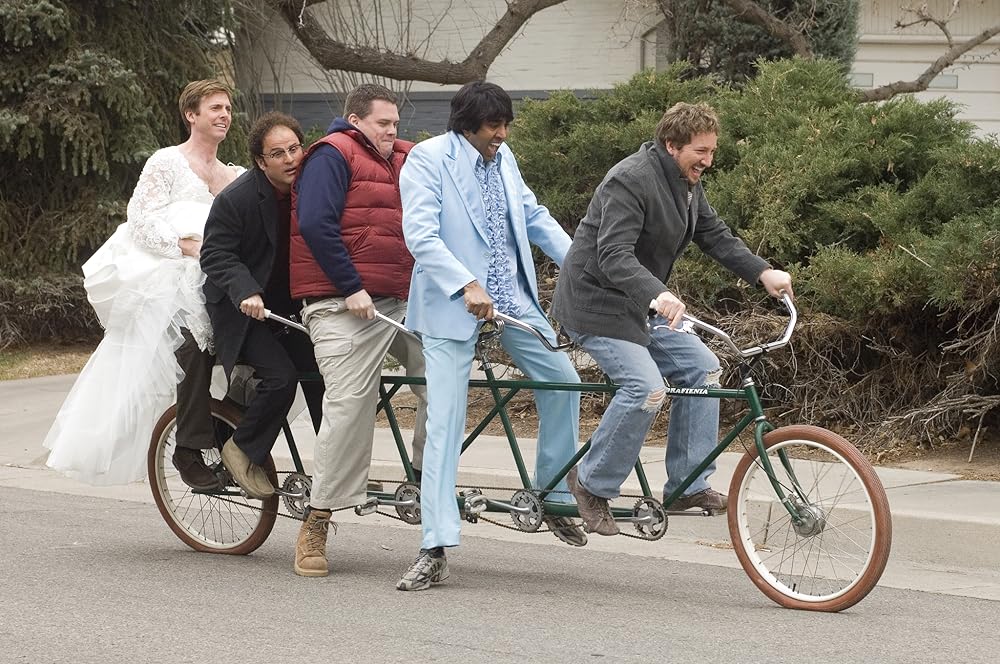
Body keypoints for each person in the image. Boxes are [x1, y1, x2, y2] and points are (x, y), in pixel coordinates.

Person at [551, 102, 793, 536]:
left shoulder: (685, 181)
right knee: (645, 387)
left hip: (640, 305)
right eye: (701, 151)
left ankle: (687, 483)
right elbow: (613, 255)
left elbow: (714, 235)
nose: (709, 161)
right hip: (596, 305)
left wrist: (762, 272)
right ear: (671, 144)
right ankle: (590, 483)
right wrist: (658, 293)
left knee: (703, 368)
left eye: (713, 151)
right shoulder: (631, 179)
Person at [396, 80, 587, 592]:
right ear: (466, 124)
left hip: (514, 300)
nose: (501, 134)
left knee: (563, 381)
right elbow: (421, 235)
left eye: (505, 125)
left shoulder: (504, 157)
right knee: (445, 423)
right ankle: (434, 544)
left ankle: (551, 495)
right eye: (492, 127)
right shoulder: (427, 159)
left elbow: (534, 216)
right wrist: (466, 283)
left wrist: (582, 264)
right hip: (453, 306)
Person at [44, 79, 244, 486]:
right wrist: (184, 246)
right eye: (215, 108)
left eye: (227, 108)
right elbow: (140, 217)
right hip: (169, 279)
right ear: (192, 115)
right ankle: (188, 452)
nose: (225, 115)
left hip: (217, 281)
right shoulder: (167, 161)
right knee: (193, 346)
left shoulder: (234, 176)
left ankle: (231, 438)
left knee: (256, 357)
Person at [290, 83, 428, 578]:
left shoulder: (410, 157)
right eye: (382, 124)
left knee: (445, 379)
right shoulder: (332, 154)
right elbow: (315, 222)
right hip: (341, 303)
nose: (392, 132)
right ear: (354, 119)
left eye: (395, 124)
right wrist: (349, 286)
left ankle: (425, 488)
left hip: (407, 300)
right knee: (349, 405)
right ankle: (317, 516)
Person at [200, 111, 324, 499]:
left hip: (289, 308)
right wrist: (246, 291)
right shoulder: (235, 200)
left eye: (294, 149)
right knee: (281, 378)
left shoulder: (311, 190)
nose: (290, 159)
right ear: (259, 161)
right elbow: (215, 255)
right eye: (278, 153)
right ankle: (241, 449)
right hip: (244, 311)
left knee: (327, 375)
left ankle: (337, 465)